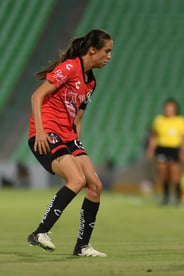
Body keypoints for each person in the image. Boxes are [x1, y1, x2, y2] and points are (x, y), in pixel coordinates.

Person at [27, 29, 112, 257]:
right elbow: (37, 96)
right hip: (46, 132)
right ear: (92, 50)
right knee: (77, 180)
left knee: (95, 185)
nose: (109, 56)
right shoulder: (70, 67)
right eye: (107, 51)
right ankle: (40, 232)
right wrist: (42, 132)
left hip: (67, 135)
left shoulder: (91, 82)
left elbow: (78, 118)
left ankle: (82, 246)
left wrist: (77, 144)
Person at [146, 98, 184, 205]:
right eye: (167, 107)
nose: (168, 110)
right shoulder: (159, 120)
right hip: (162, 148)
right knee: (163, 172)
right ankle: (165, 197)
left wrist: (183, 152)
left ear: (175, 109)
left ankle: (178, 198)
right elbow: (154, 136)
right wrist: (151, 150)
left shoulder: (180, 120)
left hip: (174, 149)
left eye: (171, 107)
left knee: (175, 173)